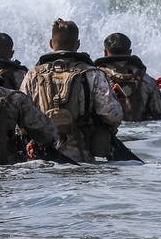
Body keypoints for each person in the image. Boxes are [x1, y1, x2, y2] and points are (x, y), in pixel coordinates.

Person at [20, 19, 125, 163]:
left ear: (51, 43)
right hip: (81, 157)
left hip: (43, 158)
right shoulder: (93, 74)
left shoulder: (32, 75)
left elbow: (20, 118)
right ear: (77, 44)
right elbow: (113, 115)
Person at [93, 32, 161, 122]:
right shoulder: (146, 79)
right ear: (130, 52)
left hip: (107, 134)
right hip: (138, 132)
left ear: (105, 52)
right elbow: (158, 114)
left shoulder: (96, 78)